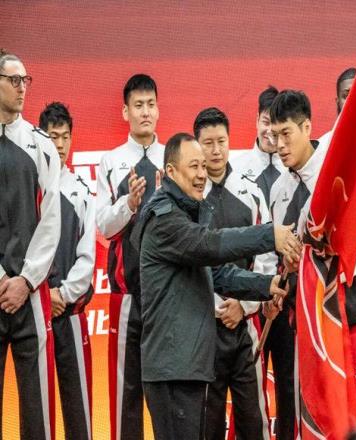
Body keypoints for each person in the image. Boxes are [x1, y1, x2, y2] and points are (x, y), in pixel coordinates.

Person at [134, 133, 301, 440]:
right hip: (174, 369)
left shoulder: (185, 214)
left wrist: (267, 285)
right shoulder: (165, 219)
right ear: (171, 171)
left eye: (203, 166)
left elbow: (218, 274)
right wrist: (269, 236)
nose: (202, 174)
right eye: (193, 166)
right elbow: (210, 245)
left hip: (189, 366)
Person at [270, 89, 356, 426]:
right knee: (315, 418)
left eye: (286, 134)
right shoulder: (278, 190)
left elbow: (352, 235)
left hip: (348, 315)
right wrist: (288, 262)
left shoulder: (337, 172)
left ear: (307, 127)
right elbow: (283, 255)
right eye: (275, 136)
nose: (280, 145)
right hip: (306, 325)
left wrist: (308, 246)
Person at [194, 107, 275, 440]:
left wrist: (245, 305)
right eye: (208, 143)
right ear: (197, 146)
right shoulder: (189, 198)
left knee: (253, 420)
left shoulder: (251, 191)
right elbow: (187, 262)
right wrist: (216, 307)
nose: (216, 150)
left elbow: (267, 256)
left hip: (245, 327)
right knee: (207, 424)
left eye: (221, 141)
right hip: (203, 330)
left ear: (230, 141)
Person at [96, 74, 164, 440]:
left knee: (167, 390)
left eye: (151, 104)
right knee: (127, 392)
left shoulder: (173, 158)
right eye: (138, 105)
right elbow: (103, 227)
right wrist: (129, 203)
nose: (145, 112)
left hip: (167, 294)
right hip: (127, 295)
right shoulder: (111, 162)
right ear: (125, 112)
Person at [0, 49, 61, 439]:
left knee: (37, 410)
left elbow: (52, 220)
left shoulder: (42, 145)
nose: (22, 87)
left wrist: (25, 279)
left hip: (31, 295)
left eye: (26, 80)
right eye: (13, 80)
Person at [39, 102, 95, 440]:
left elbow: (87, 258)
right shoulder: (31, 186)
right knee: (38, 408)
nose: (59, 144)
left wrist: (62, 294)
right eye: (52, 137)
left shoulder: (81, 192)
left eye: (65, 137)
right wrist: (44, 295)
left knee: (79, 409)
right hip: (35, 311)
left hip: (70, 313)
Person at [231, 86, 285, 208]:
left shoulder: (295, 170)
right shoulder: (235, 169)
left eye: (275, 124)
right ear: (257, 120)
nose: (269, 130)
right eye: (266, 122)